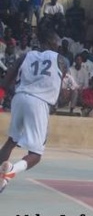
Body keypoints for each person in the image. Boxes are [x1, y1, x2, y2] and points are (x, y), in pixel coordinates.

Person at [0, 17, 67, 193]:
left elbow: (6, 82)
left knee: (11, 141)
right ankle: (9, 172)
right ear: (49, 42)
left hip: (20, 98)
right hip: (39, 102)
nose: (58, 46)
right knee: (36, 154)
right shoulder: (60, 59)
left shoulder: (25, 56)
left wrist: (21, 93)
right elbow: (59, 88)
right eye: (56, 43)